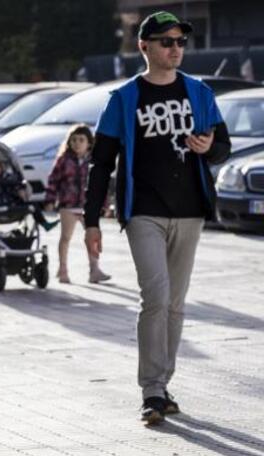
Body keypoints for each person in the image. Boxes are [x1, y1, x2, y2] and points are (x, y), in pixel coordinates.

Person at [84, 10, 231, 426]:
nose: (175, 48)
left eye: (180, 41)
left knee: (176, 304)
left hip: (189, 210)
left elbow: (223, 146)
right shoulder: (123, 99)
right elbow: (101, 164)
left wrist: (207, 148)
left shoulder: (199, 93)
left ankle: (163, 383)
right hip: (143, 210)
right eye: (166, 41)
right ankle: (151, 389)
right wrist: (91, 221)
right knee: (156, 296)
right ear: (143, 46)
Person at [45, 124, 108, 284]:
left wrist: (104, 204)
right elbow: (53, 180)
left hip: (88, 205)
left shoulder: (93, 161)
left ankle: (94, 269)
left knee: (92, 237)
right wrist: (50, 199)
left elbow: (99, 184)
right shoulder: (64, 160)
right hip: (68, 204)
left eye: (81, 140)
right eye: (73, 140)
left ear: (89, 142)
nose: (77, 143)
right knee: (65, 237)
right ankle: (63, 269)